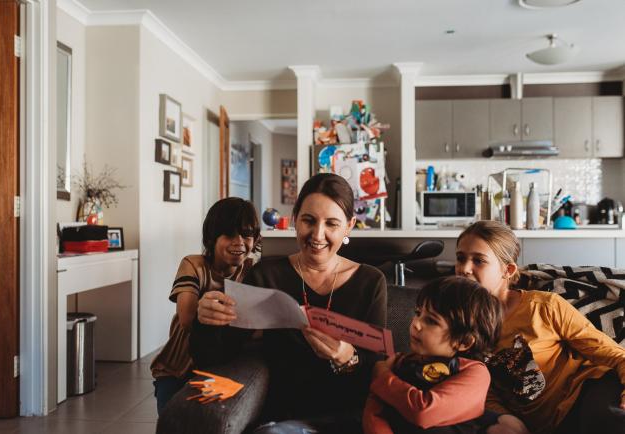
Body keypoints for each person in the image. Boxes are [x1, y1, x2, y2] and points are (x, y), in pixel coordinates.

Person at [195, 173, 388, 433]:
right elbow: (218, 355)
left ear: (349, 226)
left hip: (350, 416)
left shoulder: (371, 281)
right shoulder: (267, 275)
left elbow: (378, 366)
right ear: (295, 218)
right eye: (309, 220)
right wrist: (206, 318)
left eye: (331, 223)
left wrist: (347, 357)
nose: (317, 235)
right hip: (284, 417)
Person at [455, 220, 625, 434]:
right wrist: (504, 418)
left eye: (478, 261)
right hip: (547, 424)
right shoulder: (460, 324)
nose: (464, 269)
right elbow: (479, 386)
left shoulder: (543, 306)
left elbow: (610, 352)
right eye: (460, 258)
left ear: (507, 270)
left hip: (587, 392)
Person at [149, 197, 261, 415]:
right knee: (174, 421)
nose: (239, 242)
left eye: (246, 235)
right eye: (229, 234)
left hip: (219, 366)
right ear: (211, 237)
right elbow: (187, 317)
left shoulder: (251, 269)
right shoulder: (194, 265)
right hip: (177, 368)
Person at [363, 276, 515, 434]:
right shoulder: (401, 362)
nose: (415, 323)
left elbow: (423, 412)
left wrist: (382, 376)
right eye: (418, 313)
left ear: (464, 342)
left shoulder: (475, 373)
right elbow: (375, 411)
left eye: (431, 321)